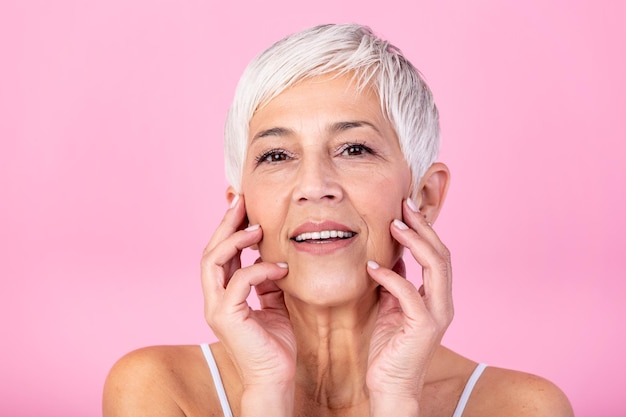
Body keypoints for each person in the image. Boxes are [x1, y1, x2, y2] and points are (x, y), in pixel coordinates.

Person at [103, 24, 574, 417]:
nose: (315, 184)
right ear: (240, 207)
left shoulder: (524, 407)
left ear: (424, 197)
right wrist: (266, 391)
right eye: (277, 154)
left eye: (355, 148)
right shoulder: (158, 390)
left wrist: (396, 398)